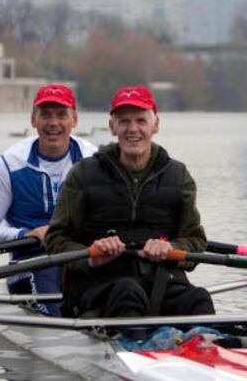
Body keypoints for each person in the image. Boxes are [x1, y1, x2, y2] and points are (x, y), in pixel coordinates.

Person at [44, 86, 214, 319]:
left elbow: (195, 240)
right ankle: (141, 344)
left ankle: (207, 345)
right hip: (98, 285)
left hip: (161, 282)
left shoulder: (178, 175)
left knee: (199, 298)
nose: (133, 129)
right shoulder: (83, 174)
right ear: (112, 127)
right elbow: (55, 240)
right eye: (124, 121)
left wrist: (171, 248)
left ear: (156, 125)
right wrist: (91, 256)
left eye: (141, 121)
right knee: (128, 292)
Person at [0, 84, 97, 315]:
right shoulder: (10, 165)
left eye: (61, 114)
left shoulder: (93, 159)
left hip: (81, 258)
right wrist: (23, 234)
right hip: (31, 261)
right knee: (47, 279)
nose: (53, 123)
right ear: (33, 119)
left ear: (74, 120)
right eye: (45, 114)